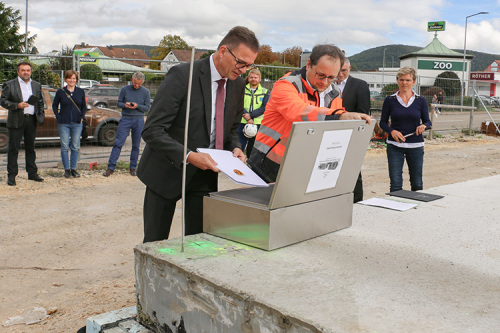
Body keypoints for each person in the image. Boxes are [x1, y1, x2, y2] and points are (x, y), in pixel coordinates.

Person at [137, 26, 259, 242]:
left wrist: (235, 148)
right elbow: (153, 130)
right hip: (167, 170)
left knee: (198, 242)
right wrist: (189, 156)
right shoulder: (183, 75)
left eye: (249, 65)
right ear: (223, 51)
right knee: (155, 243)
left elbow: (230, 129)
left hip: (205, 174)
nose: (244, 70)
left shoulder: (238, 85)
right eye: (241, 62)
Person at [247, 44, 371, 183]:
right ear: (308, 64)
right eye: (320, 75)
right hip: (267, 164)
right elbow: (297, 111)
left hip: (305, 164)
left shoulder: (335, 92)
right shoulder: (286, 85)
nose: (325, 82)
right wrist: (339, 115)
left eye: (331, 77)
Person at [379, 67, 432, 193]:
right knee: (396, 182)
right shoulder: (390, 100)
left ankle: (416, 209)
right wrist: (391, 131)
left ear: (414, 82)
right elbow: (382, 122)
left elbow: (427, 121)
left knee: (417, 182)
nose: (404, 83)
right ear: (397, 80)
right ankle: (396, 208)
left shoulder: (421, 100)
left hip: (416, 145)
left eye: (408, 80)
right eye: (401, 79)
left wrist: (423, 126)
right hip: (394, 145)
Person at [1, 61, 45, 186]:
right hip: (16, 120)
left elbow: (40, 101)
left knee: (30, 148)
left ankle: (32, 173)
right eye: (23, 70)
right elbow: (3, 101)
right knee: (13, 149)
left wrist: (40, 115)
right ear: (18, 72)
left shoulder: (36, 85)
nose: (26, 72)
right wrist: (17, 105)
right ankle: (12, 176)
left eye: (28, 70)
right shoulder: (9, 85)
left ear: (31, 71)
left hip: (31, 120)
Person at [335, 57, 370, 203]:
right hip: (331, 133)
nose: (340, 74)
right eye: (338, 70)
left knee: (352, 169)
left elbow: (363, 112)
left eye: (343, 70)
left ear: (349, 69)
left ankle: (357, 200)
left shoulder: (359, 85)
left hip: (350, 134)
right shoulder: (327, 84)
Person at [103, 72, 150, 177]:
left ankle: (133, 167)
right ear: (132, 79)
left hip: (139, 120)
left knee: (136, 145)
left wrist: (137, 106)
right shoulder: (125, 89)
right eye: (135, 83)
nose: (136, 85)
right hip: (125, 119)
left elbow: (147, 107)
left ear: (142, 82)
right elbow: (118, 103)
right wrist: (125, 105)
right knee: (118, 143)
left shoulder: (146, 92)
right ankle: (111, 167)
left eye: (139, 84)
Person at [52, 70, 87, 178]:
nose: (71, 80)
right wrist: (58, 116)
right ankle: (66, 169)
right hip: (64, 123)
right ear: (66, 79)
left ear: (76, 80)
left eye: (73, 78)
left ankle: (73, 169)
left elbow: (83, 106)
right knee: (64, 146)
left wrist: (82, 117)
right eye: (69, 78)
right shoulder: (60, 92)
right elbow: (54, 105)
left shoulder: (80, 92)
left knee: (75, 146)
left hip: (77, 123)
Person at [237, 68, 270, 156]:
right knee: (239, 147)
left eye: (255, 77)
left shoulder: (265, 91)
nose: (253, 79)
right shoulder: (241, 89)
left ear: (260, 79)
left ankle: (249, 166)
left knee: (253, 149)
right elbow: (238, 104)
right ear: (248, 78)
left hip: (258, 124)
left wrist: (251, 116)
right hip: (242, 122)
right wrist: (247, 118)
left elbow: (264, 107)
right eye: (251, 77)